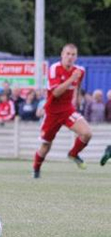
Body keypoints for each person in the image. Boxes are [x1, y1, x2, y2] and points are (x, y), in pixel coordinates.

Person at [33, 44, 92, 178]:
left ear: (76, 57)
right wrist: (72, 78)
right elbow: (56, 92)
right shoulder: (54, 69)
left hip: (67, 111)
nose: (70, 57)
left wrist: (75, 99)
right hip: (52, 112)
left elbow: (77, 85)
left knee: (87, 133)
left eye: (73, 54)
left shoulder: (80, 71)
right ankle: (36, 169)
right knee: (46, 146)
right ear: (62, 55)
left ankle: (73, 154)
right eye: (68, 54)